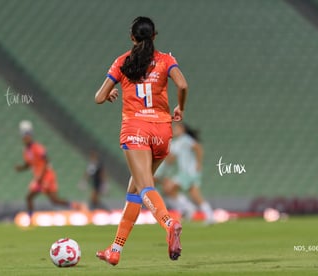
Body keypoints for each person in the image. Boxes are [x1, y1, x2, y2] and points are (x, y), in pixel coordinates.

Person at [94, 16, 188, 265]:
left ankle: (169, 224)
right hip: (162, 132)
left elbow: (99, 97)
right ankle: (115, 250)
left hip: (136, 130)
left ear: (132, 37)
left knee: (145, 187)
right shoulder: (166, 60)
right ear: (154, 36)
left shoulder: (122, 62)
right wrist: (180, 107)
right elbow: (183, 84)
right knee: (134, 191)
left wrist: (112, 92)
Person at [15, 120, 78, 225]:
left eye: (27, 136)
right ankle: (30, 220)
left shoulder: (37, 147)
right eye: (24, 137)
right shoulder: (26, 151)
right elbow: (29, 164)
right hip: (39, 178)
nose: (25, 139)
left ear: (30, 136)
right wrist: (20, 168)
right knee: (31, 197)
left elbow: (45, 161)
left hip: (47, 176)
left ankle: (75, 206)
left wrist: (41, 176)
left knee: (54, 200)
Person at [162, 122, 215, 224]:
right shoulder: (177, 143)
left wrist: (199, 163)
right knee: (193, 193)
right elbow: (171, 159)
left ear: (183, 129)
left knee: (169, 188)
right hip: (185, 172)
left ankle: (188, 209)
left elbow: (198, 148)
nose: (174, 130)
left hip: (189, 172)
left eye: (177, 128)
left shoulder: (186, 139)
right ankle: (206, 214)